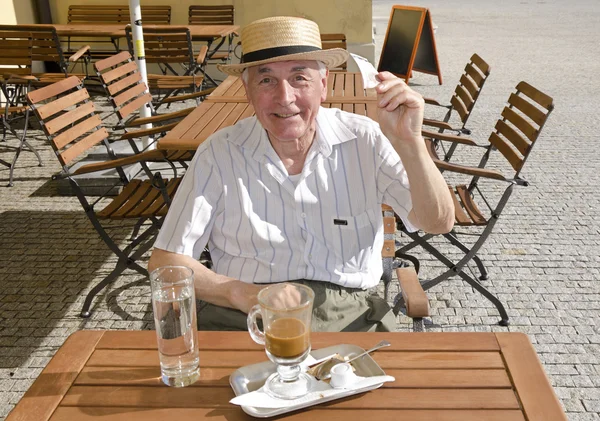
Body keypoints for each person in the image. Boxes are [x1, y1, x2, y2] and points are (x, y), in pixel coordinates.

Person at [148, 16, 454, 332]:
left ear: (323, 85)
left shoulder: (366, 139)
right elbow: (165, 261)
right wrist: (243, 293)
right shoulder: (219, 152)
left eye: (299, 78)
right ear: (247, 90)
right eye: (266, 80)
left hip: (350, 315)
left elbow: (437, 222)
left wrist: (411, 143)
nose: (285, 97)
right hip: (243, 317)